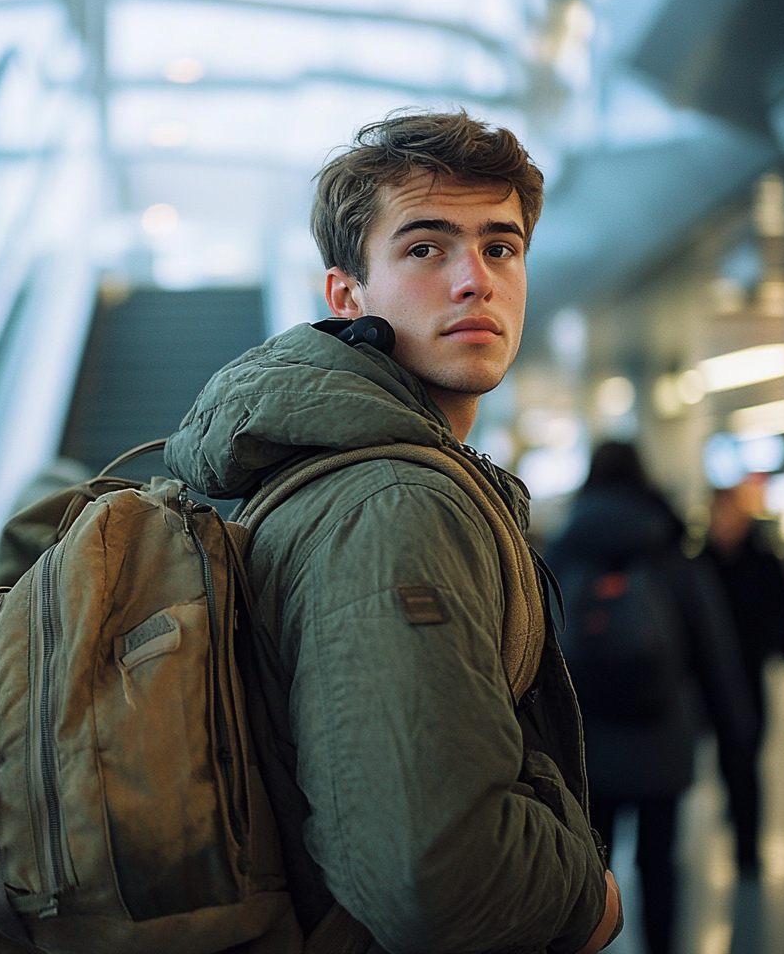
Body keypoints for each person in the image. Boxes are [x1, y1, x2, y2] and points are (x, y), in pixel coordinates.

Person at [166, 112, 620, 954]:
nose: (474, 280)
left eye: (500, 248)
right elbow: (434, 877)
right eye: (425, 248)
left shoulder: (348, 472)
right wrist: (588, 899)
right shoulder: (394, 504)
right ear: (346, 296)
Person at [546, 442, 754, 954]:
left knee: (591, 870)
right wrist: (737, 740)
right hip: (662, 742)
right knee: (659, 864)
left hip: (585, 748)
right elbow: (714, 655)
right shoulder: (671, 553)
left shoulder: (561, 554)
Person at [704, 484, 784, 876]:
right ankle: (739, 816)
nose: (724, 522)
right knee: (731, 755)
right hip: (713, 676)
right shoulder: (702, 562)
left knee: (749, 747)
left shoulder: (762, 557)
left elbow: (782, 604)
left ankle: (748, 849)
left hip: (749, 670)